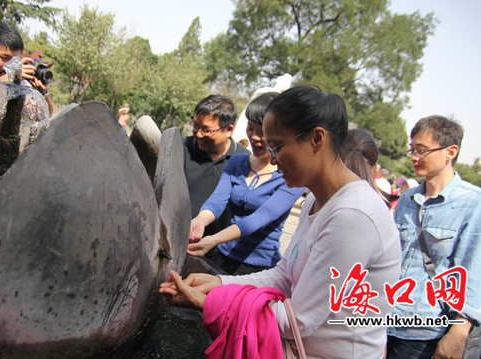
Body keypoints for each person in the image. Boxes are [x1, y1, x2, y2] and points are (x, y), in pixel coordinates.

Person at [161, 85, 401, 358]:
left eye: (278, 146)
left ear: (317, 139)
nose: (273, 160)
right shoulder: (317, 200)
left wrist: (209, 302)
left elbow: (297, 321)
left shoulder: (353, 215)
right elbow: (284, 275)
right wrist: (220, 284)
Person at [387, 115, 481, 359]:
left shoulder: (472, 203)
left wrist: (459, 332)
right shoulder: (408, 198)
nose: (414, 157)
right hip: (384, 321)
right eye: (412, 150)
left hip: (427, 331)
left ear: (451, 152)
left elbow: (472, 271)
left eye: (423, 150)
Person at [188, 93, 305, 275]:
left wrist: (213, 239)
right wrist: (200, 221)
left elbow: (260, 218)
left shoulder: (293, 176)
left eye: (264, 132)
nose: (255, 137)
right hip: (222, 255)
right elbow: (218, 200)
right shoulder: (237, 162)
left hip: (257, 266)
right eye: (251, 128)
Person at [182, 95, 250, 239]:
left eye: (206, 130)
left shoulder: (243, 160)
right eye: (195, 126)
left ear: (228, 130)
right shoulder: (180, 148)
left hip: (218, 246)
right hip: (178, 238)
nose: (199, 134)